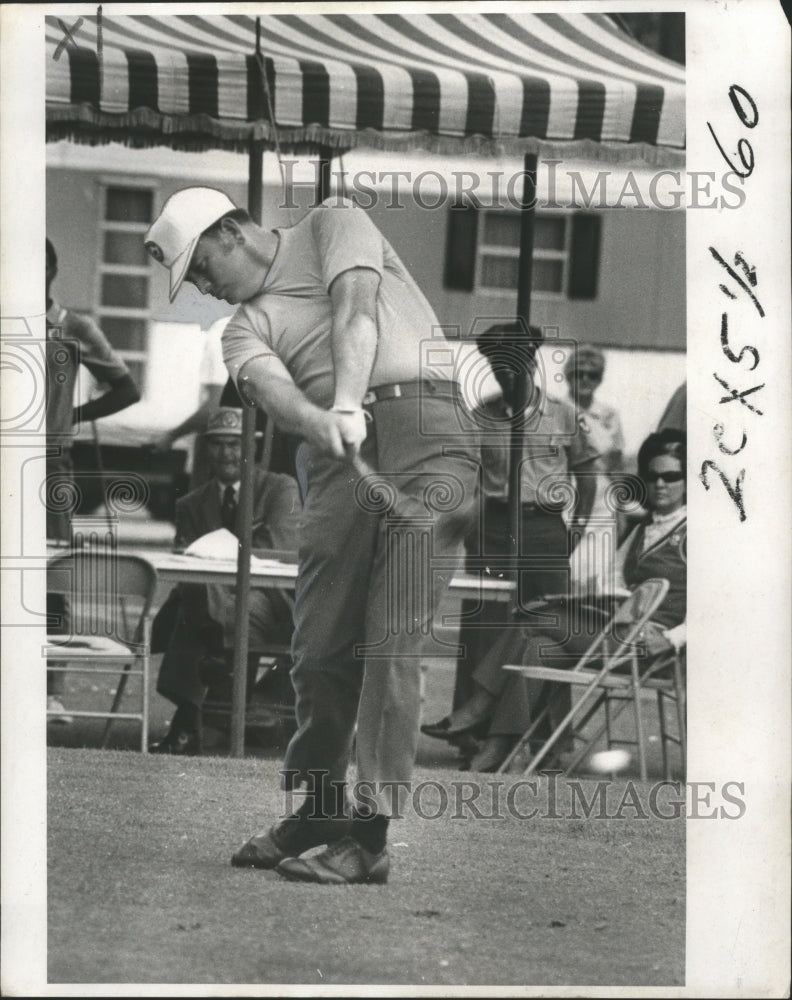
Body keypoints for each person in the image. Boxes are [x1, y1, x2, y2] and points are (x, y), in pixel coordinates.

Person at [145, 187, 480, 884]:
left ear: (231, 232)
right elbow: (276, 394)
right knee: (319, 645)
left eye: (201, 267)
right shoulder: (239, 330)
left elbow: (356, 309)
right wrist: (322, 418)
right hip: (333, 458)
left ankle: (370, 836)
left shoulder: (334, 219)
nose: (203, 286)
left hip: (427, 427)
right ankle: (320, 810)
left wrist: (349, 400)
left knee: (392, 637)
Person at [423, 429, 687, 771]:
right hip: (620, 634)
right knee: (538, 648)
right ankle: (496, 749)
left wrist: (672, 638)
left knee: (534, 617)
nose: (660, 484)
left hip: (654, 649)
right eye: (652, 476)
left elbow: (717, 612)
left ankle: (475, 711)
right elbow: (611, 583)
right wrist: (585, 600)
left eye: (671, 476)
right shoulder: (641, 529)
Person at [443, 323, 604, 766]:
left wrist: (576, 528)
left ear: (532, 364)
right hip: (493, 532)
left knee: (549, 629)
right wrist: (472, 527)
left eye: (514, 367)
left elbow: (587, 474)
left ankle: (548, 743)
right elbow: (467, 475)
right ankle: (473, 736)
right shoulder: (481, 415)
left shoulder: (563, 414)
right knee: (484, 630)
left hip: (544, 529)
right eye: (498, 368)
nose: (507, 376)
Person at [149, 407, 301, 755]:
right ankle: (206, 709)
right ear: (206, 449)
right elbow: (185, 562)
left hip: (270, 601)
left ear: (252, 447)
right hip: (217, 605)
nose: (226, 453)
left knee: (198, 607)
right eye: (217, 444)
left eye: (235, 444)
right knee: (198, 598)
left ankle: (188, 720)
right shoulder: (191, 504)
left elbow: (277, 551)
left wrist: (218, 566)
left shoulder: (280, 489)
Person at [45, 237, 140, 721]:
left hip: (49, 463)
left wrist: (72, 415)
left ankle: (50, 690)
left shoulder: (72, 327)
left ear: (50, 272)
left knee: (51, 573)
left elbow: (127, 389)